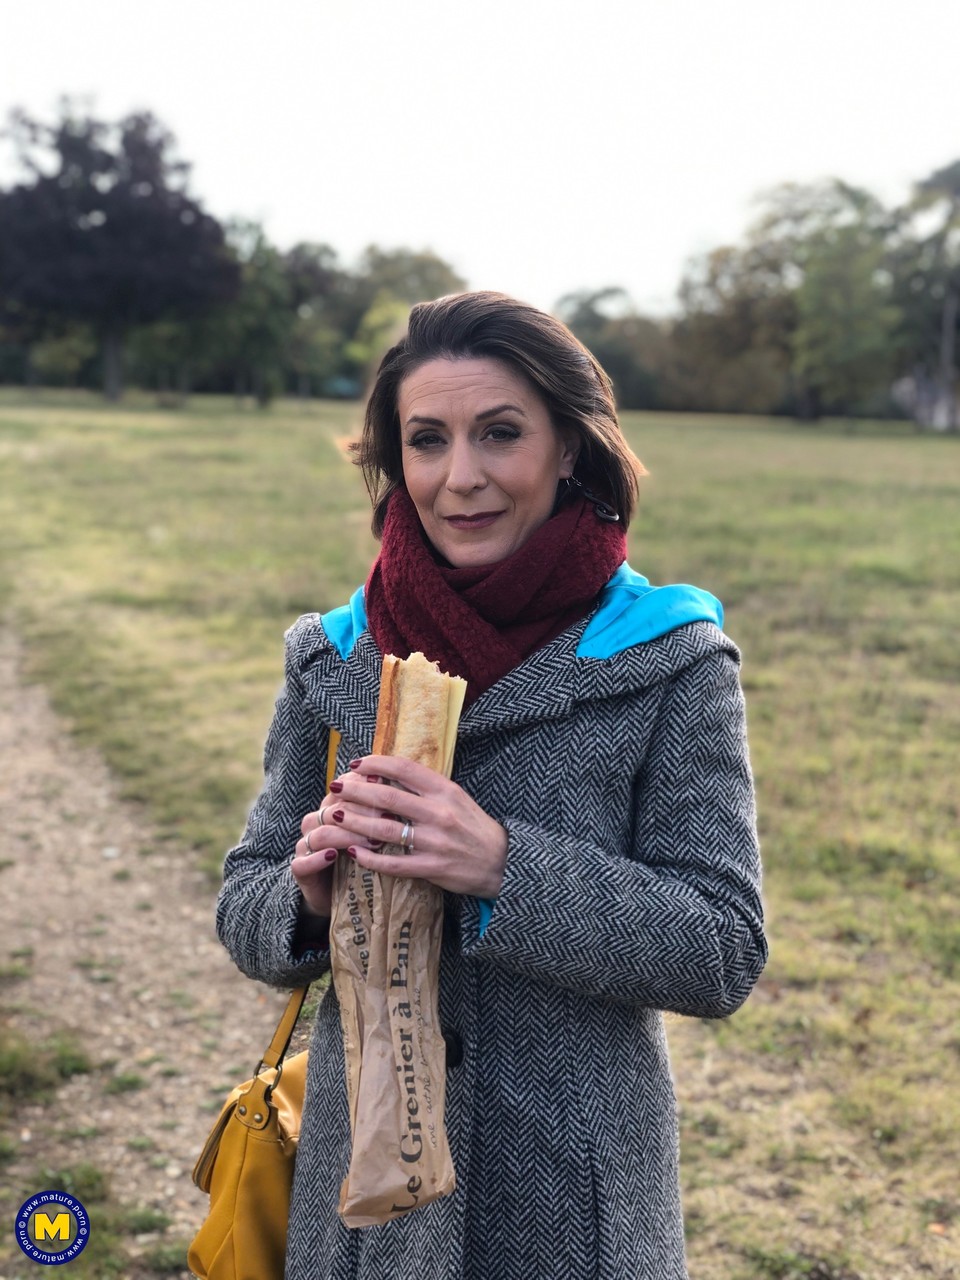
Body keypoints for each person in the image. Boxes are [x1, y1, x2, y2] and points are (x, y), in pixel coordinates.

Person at [216, 290, 767, 1280]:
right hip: (363, 1213)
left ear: (568, 447)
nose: (459, 476)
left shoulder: (670, 659)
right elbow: (245, 898)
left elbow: (721, 945)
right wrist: (299, 896)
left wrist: (505, 865)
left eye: (500, 434)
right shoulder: (332, 658)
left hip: (574, 1211)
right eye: (427, 440)